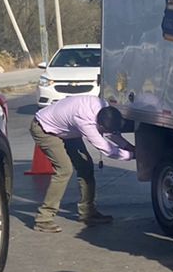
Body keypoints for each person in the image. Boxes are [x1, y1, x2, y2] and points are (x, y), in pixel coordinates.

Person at [31, 94, 134, 231]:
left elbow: (111, 133)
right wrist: (131, 155)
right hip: (45, 129)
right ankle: (43, 218)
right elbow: (106, 149)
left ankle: (87, 213)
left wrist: (129, 147)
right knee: (64, 170)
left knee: (85, 166)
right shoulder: (85, 122)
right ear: (99, 124)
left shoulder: (104, 107)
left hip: (68, 129)